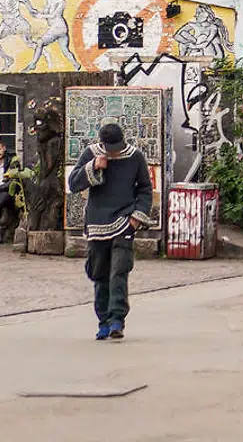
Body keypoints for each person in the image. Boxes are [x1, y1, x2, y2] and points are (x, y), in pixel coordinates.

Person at [68, 123, 153, 341]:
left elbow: (144, 188)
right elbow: (73, 183)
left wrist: (136, 218)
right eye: (109, 147)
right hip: (97, 222)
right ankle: (103, 321)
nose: (113, 151)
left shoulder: (135, 157)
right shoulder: (91, 153)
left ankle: (117, 320)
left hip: (124, 220)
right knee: (99, 273)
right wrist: (94, 166)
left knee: (119, 271)